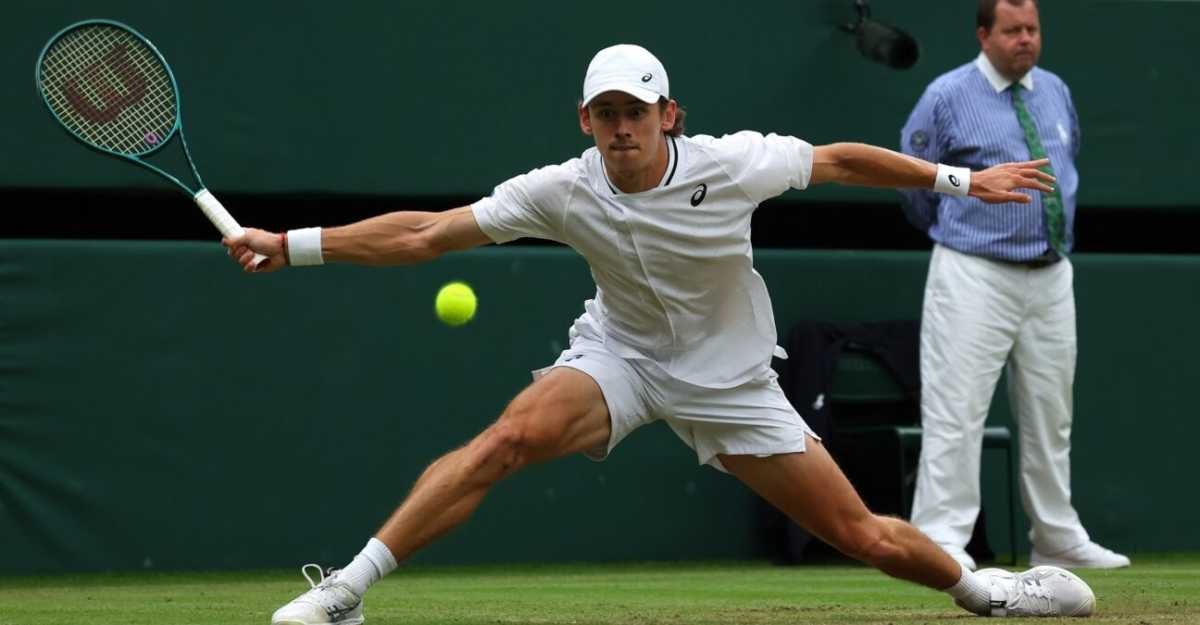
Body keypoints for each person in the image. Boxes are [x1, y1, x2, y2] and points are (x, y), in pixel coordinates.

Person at [226, 44, 1095, 624]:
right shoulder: (563, 188)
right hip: (623, 357)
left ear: (668, 114)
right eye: (604, 114)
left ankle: (989, 592)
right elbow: (425, 234)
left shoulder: (733, 163)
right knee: (506, 439)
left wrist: (959, 180)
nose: (620, 128)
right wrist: (291, 245)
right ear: (584, 122)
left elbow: (839, 159)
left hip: (732, 383)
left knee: (862, 535)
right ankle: (349, 589)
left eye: (635, 112)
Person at [899, 0, 1129, 572]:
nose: (1025, 39)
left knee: (1052, 411)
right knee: (956, 407)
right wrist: (953, 234)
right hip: (973, 270)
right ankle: (940, 536)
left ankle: (1055, 536)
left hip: (1051, 273)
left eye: (1033, 29)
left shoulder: (1054, 90)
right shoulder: (947, 95)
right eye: (1012, 30)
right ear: (984, 35)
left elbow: (1068, 160)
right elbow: (913, 178)